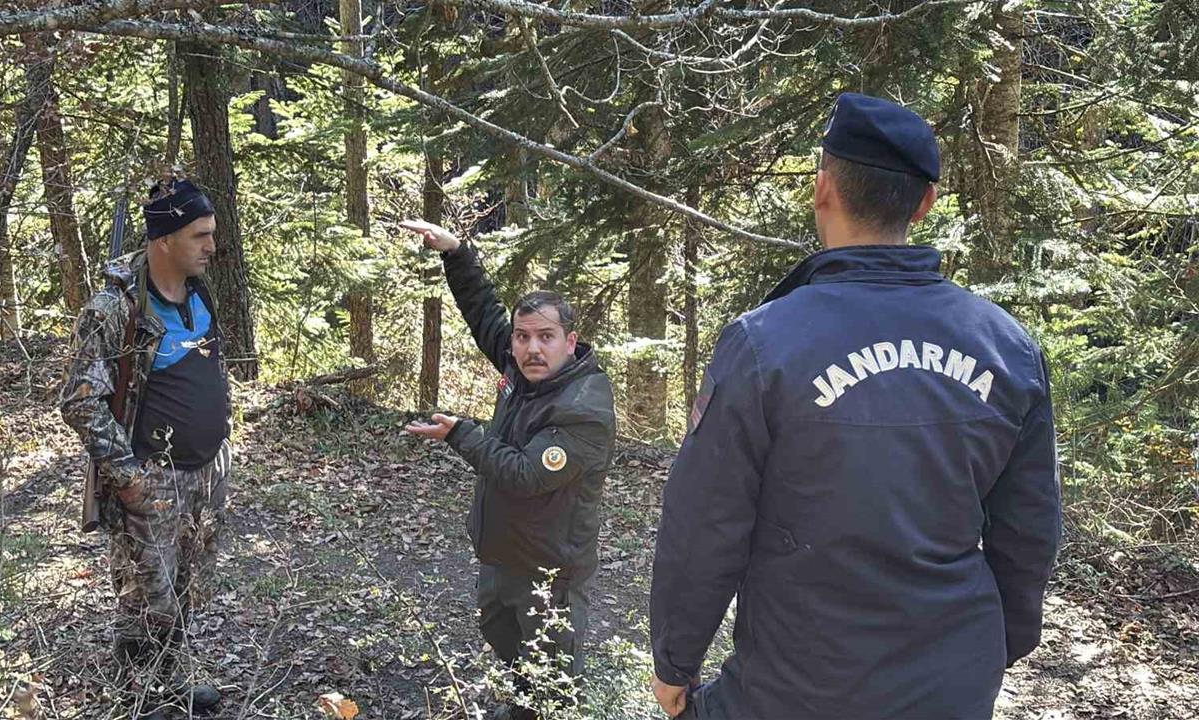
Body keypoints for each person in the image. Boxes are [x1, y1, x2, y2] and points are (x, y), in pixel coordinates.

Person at [649, 93, 1062, 719]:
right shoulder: (1006, 346)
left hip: (797, 685)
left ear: (823, 190)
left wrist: (675, 662)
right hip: (952, 679)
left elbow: (704, 521)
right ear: (924, 203)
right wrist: (999, 643)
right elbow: (1029, 527)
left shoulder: (765, 345)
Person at [399, 219, 617, 720]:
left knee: (554, 679)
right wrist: (456, 253)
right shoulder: (521, 368)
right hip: (502, 553)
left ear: (570, 340)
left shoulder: (585, 406)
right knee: (505, 640)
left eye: (545, 336)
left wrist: (461, 433)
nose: (531, 348)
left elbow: (525, 475)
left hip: (550, 570)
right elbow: (484, 315)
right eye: (523, 337)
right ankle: (523, 707)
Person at [60, 178, 233, 719]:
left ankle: (171, 684)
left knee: (184, 590)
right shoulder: (115, 309)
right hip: (151, 479)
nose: (211, 246)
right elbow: (80, 401)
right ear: (163, 239)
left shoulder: (197, 290)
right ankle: (137, 702)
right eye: (199, 235)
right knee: (142, 600)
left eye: (212, 235)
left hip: (205, 474)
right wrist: (129, 477)